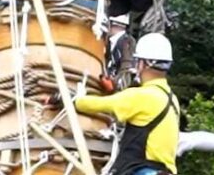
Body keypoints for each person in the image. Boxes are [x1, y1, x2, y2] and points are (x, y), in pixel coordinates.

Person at [74, 33, 180, 175]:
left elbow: (99, 104)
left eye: (138, 61)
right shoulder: (172, 99)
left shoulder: (142, 95)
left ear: (145, 64)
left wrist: (76, 100)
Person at [106, 14, 136, 91]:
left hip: (119, 89)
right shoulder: (110, 42)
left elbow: (126, 69)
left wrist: (114, 82)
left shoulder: (127, 41)